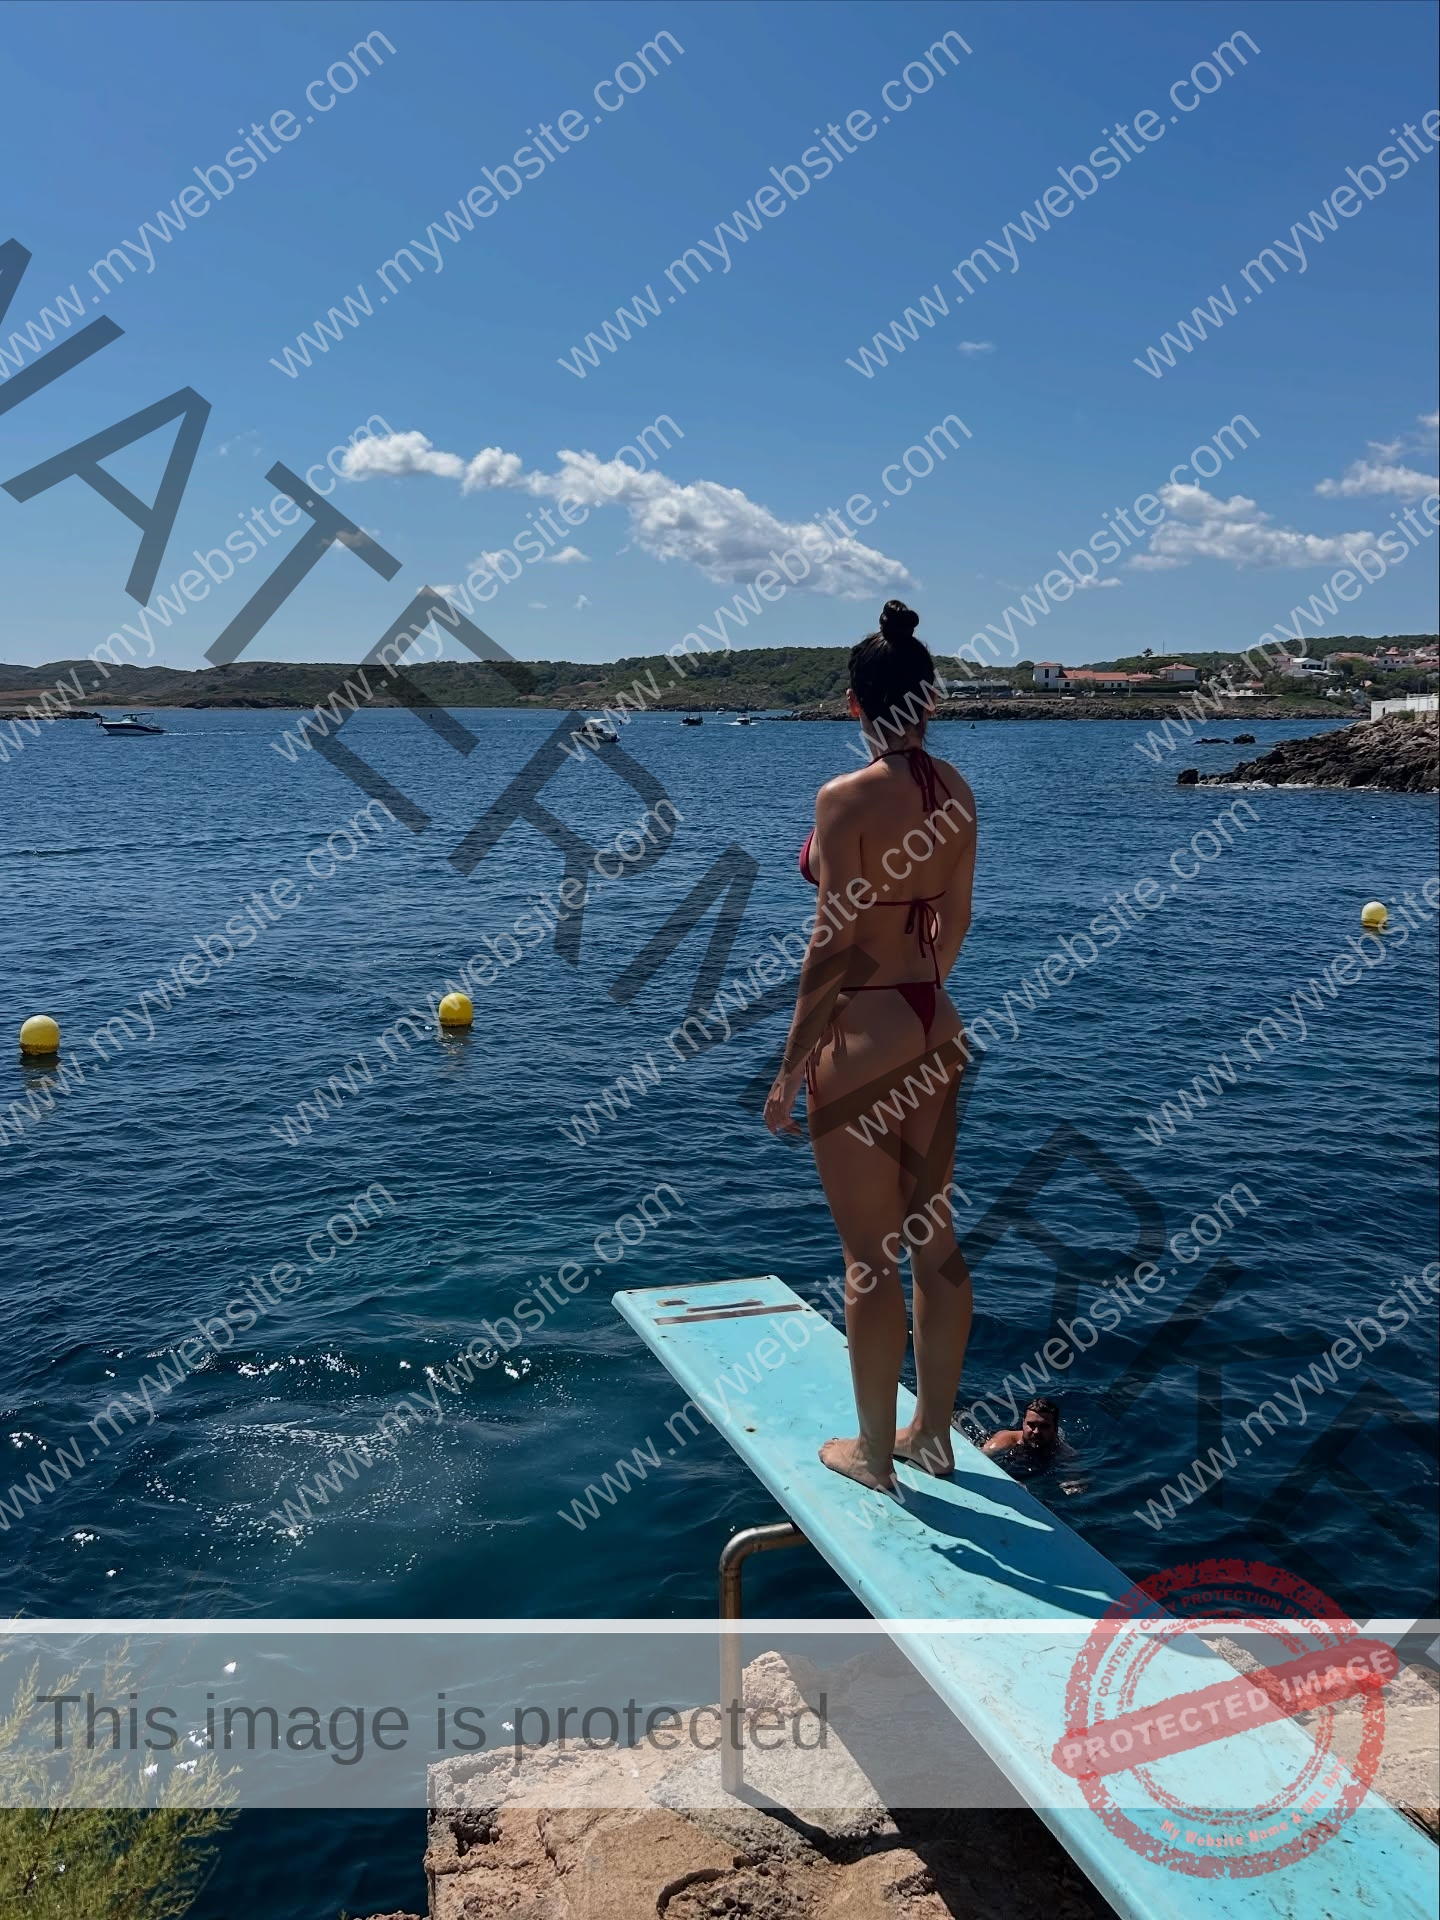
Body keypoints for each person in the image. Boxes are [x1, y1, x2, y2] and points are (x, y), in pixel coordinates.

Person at [764, 601, 977, 1492]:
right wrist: (915, 987)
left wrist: (787, 1072)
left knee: (868, 1258)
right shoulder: (958, 792)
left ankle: (875, 1457)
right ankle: (932, 1431)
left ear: (855, 704)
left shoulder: (845, 798)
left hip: (864, 1028)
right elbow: (957, 921)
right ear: (928, 700)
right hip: (935, 1018)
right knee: (935, 1239)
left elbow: (832, 943)